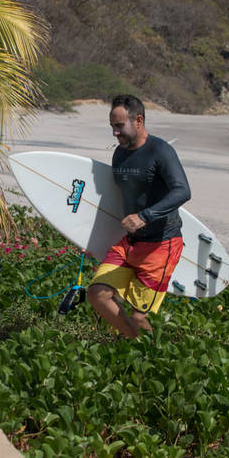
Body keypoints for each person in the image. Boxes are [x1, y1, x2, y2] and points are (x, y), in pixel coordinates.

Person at [87, 94, 191, 338]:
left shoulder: (161, 151)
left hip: (161, 244)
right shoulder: (119, 155)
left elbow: (183, 190)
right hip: (130, 242)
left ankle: (144, 352)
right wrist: (90, 239)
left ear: (139, 121)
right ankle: (132, 342)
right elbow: (113, 201)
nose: (115, 133)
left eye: (119, 126)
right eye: (112, 127)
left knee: (138, 315)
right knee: (96, 293)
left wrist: (145, 216)